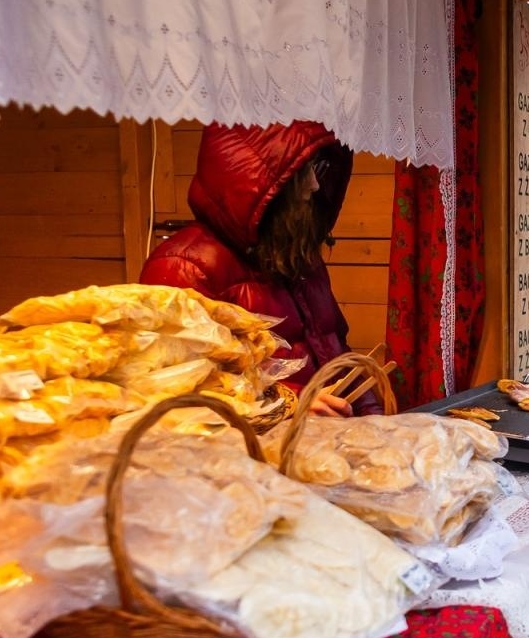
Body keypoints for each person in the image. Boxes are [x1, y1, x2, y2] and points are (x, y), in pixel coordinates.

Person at [141, 120, 372, 416]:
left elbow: (337, 352)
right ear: (261, 184)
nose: (315, 186)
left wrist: (377, 422)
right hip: (249, 453)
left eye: (318, 168)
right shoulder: (184, 267)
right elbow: (180, 392)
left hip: (321, 443)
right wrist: (289, 405)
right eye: (303, 172)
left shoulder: (295, 251)